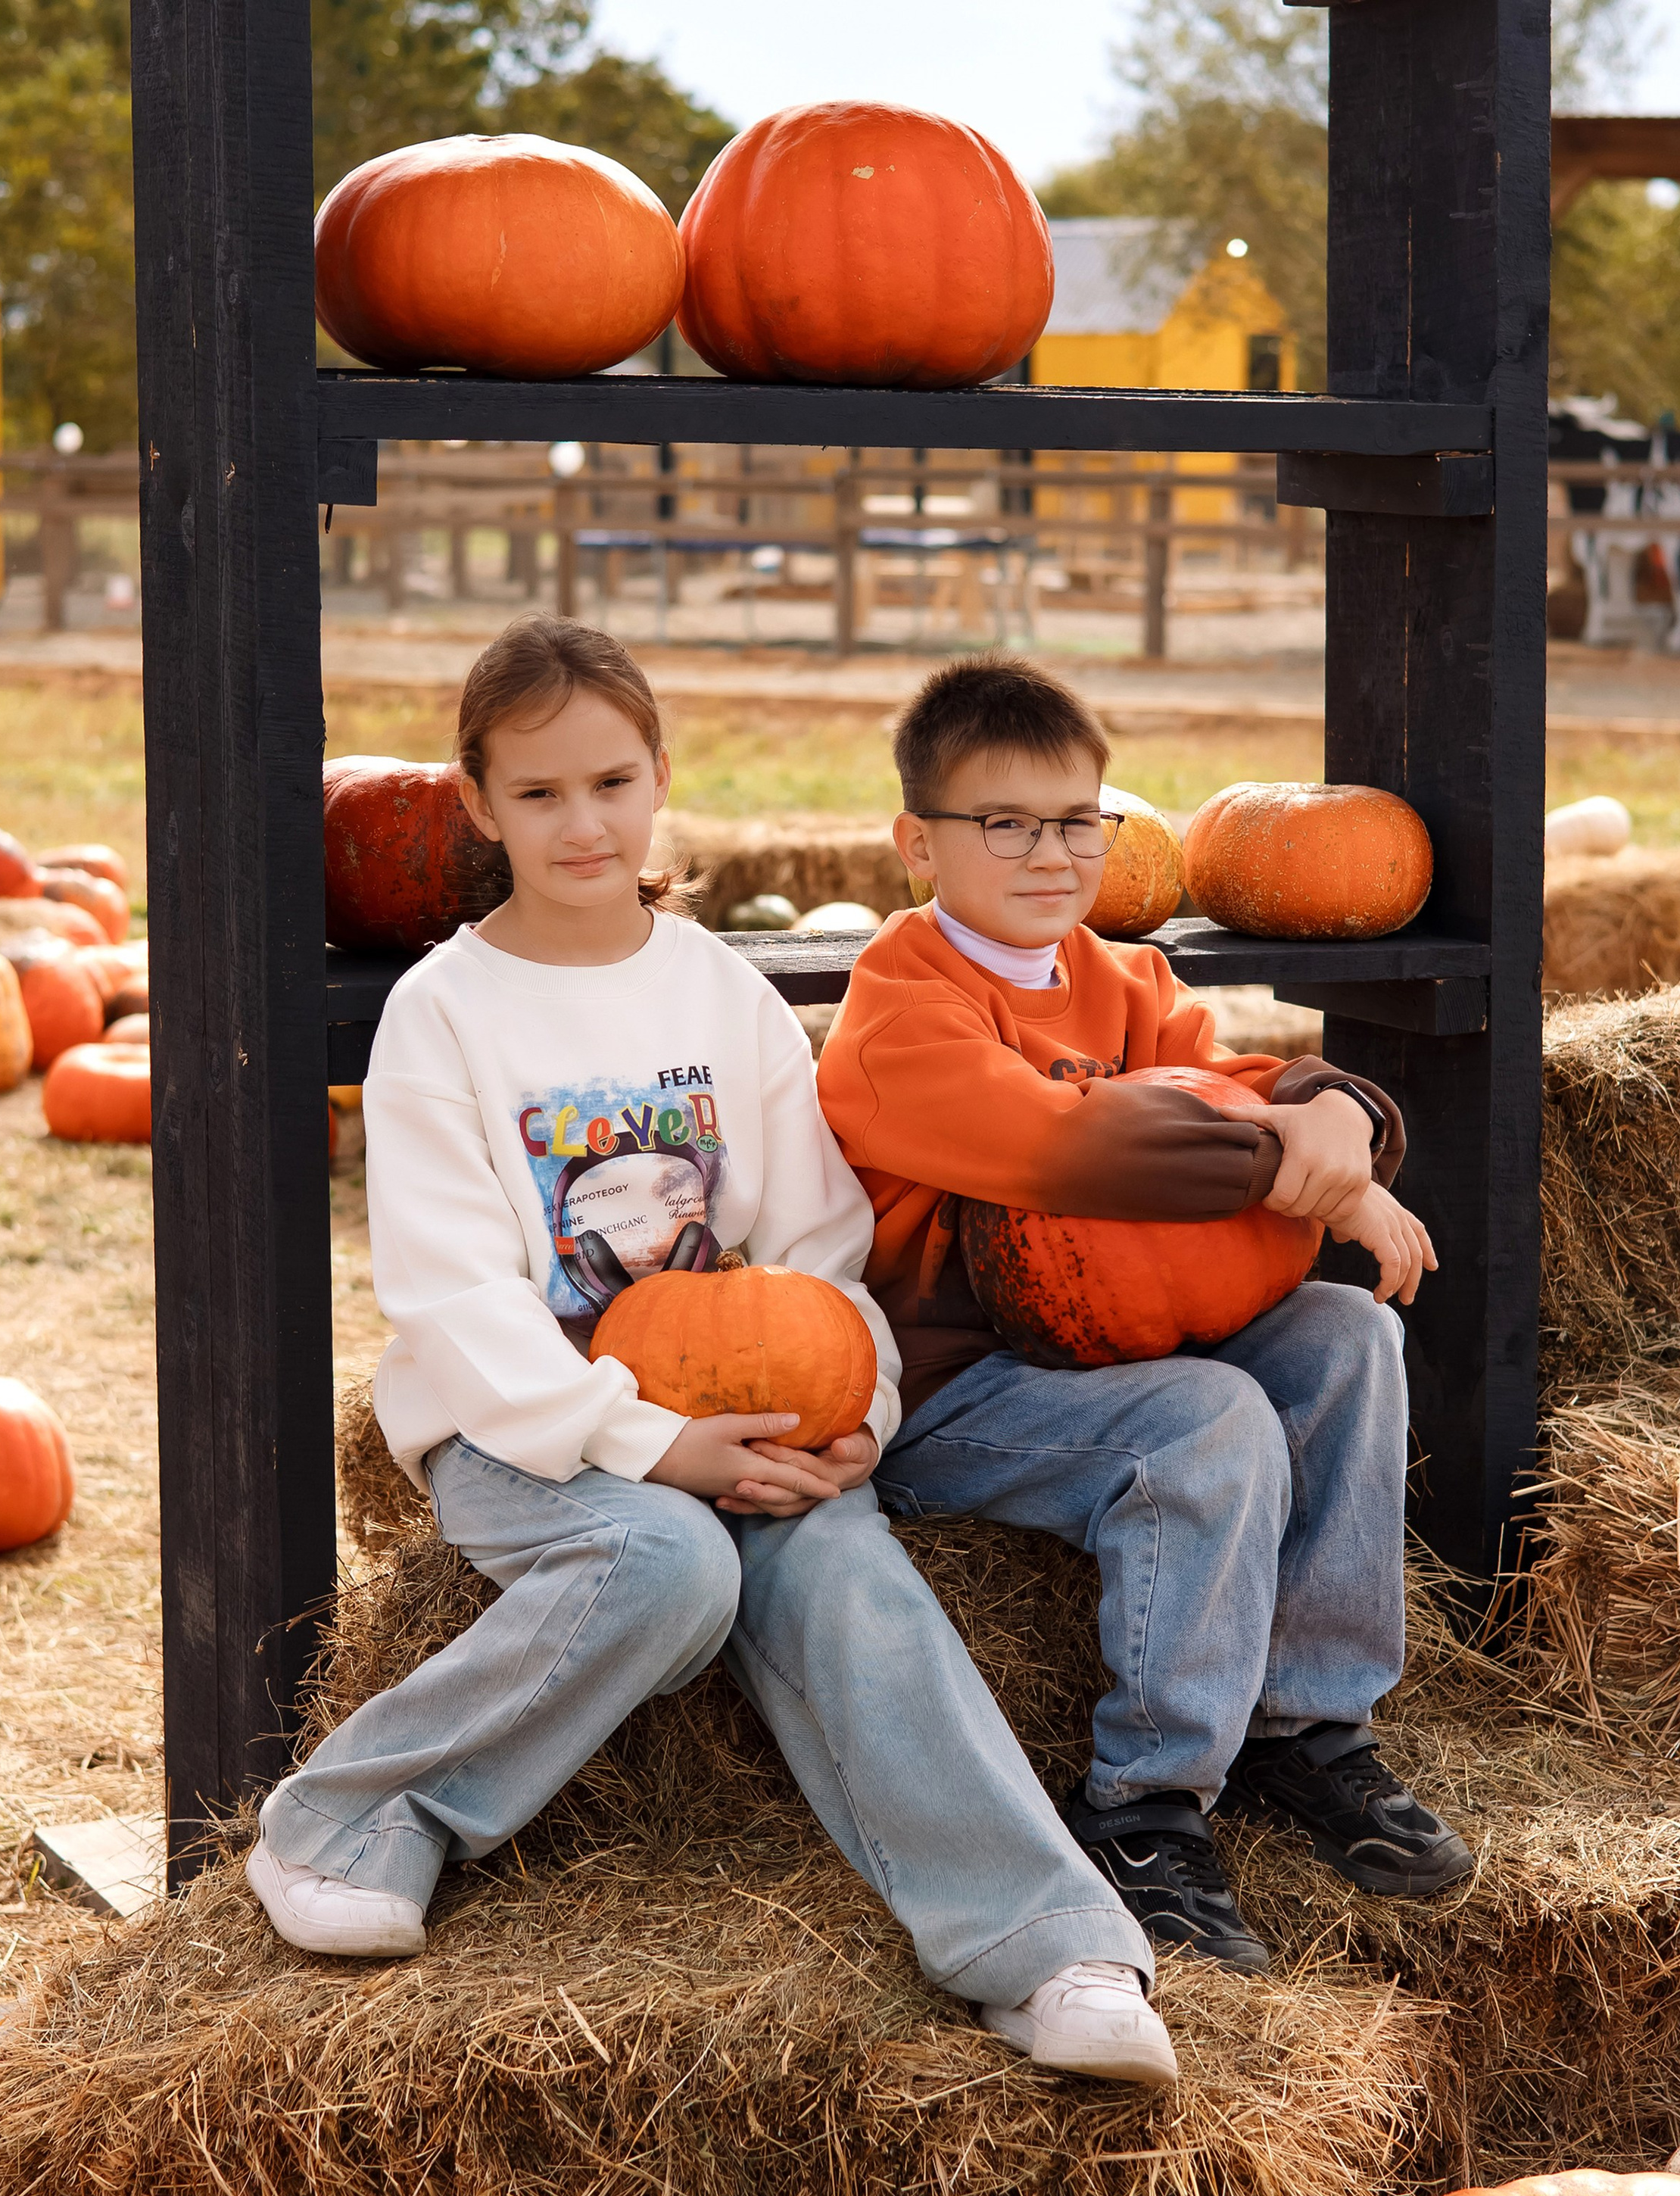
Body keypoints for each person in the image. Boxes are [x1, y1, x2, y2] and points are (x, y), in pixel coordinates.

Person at [246, 617, 1180, 2087]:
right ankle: (349, 1822)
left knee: (847, 1573)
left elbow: (815, 1244)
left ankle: (1046, 1941)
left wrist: (849, 1403)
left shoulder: (721, 996)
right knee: (664, 1561)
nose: (582, 822)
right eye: (539, 793)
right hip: (528, 1432)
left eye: (611, 783)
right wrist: (647, 1446)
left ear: (660, 782)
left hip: (743, 1402)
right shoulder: (443, 1016)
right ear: (477, 804)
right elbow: (453, 1297)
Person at [815, 654, 1475, 1979]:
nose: (1052, 853)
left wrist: (1339, 1107)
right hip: (960, 1390)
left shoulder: (1118, 975)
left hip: (1124, 1337)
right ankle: (1146, 1806)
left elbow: (1223, 1073)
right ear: (916, 842)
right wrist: (1310, 1172)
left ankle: (1309, 1724)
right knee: (1209, 1416)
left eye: (1079, 819)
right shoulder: (901, 1014)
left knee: (1351, 1340)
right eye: (1005, 823)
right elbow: (1077, 1150)